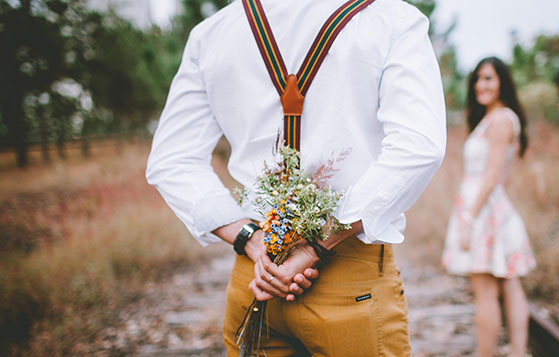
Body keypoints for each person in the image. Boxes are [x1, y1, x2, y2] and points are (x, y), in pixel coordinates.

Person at [146, 0, 446, 355]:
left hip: (257, 278)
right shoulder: (391, 18)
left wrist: (252, 240)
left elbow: (172, 159)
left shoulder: (213, 33)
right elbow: (419, 146)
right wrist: (314, 246)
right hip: (349, 279)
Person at [441, 56, 536, 357]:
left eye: (489, 79)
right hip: (491, 208)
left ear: (502, 83)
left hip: (481, 212)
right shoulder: (497, 118)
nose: (481, 85)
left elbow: (493, 174)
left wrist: (469, 217)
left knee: (485, 292)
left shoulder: (500, 120)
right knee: (509, 283)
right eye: (478, 79)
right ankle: (518, 352)